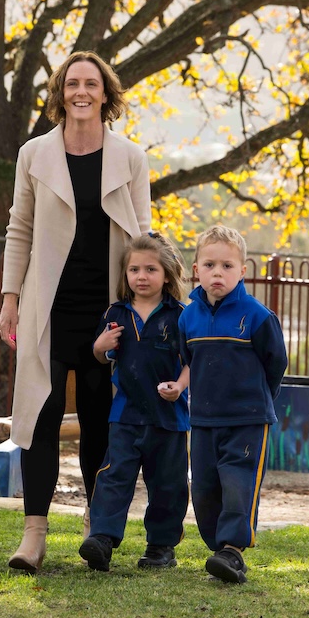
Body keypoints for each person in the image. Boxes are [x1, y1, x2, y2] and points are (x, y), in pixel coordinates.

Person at [0, 50, 151, 573]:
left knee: (98, 421)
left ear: (106, 94)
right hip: (47, 306)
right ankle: (34, 534)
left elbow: (144, 237)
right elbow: (19, 227)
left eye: (91, 83)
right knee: (39, 419)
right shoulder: (33, 154)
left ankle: (96, 526)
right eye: (71, 84)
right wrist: (10, 297)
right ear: (60, 94)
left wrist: (143, 306)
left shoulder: (130, 157)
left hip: (106, 311)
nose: (81, 92)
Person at [178, 225, 288, 583]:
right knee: (204, 488)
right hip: (203, 420)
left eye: (227, 266)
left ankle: (233, 551)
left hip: (247, 420)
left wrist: (257, 401)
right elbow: (188, 360)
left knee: (238, 484)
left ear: (242, 270)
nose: (218, 273)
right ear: (196, 269)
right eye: (209, 265)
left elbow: (275, 363)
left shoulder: (257, 316)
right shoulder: (188, 317)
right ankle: (220, 549)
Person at [78, 232, 190, 572]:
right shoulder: (115, 313)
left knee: (168, 485)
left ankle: (161, 547)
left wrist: (180, 386)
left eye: (151, 270)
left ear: (167, 274)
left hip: (169, 417)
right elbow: (102, 355)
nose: (142, 276)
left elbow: (193, 361)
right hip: (125, 415)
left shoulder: (181, 316)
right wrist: (99, 347)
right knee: (113, 477)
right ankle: (102, 539)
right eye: (134, 270)